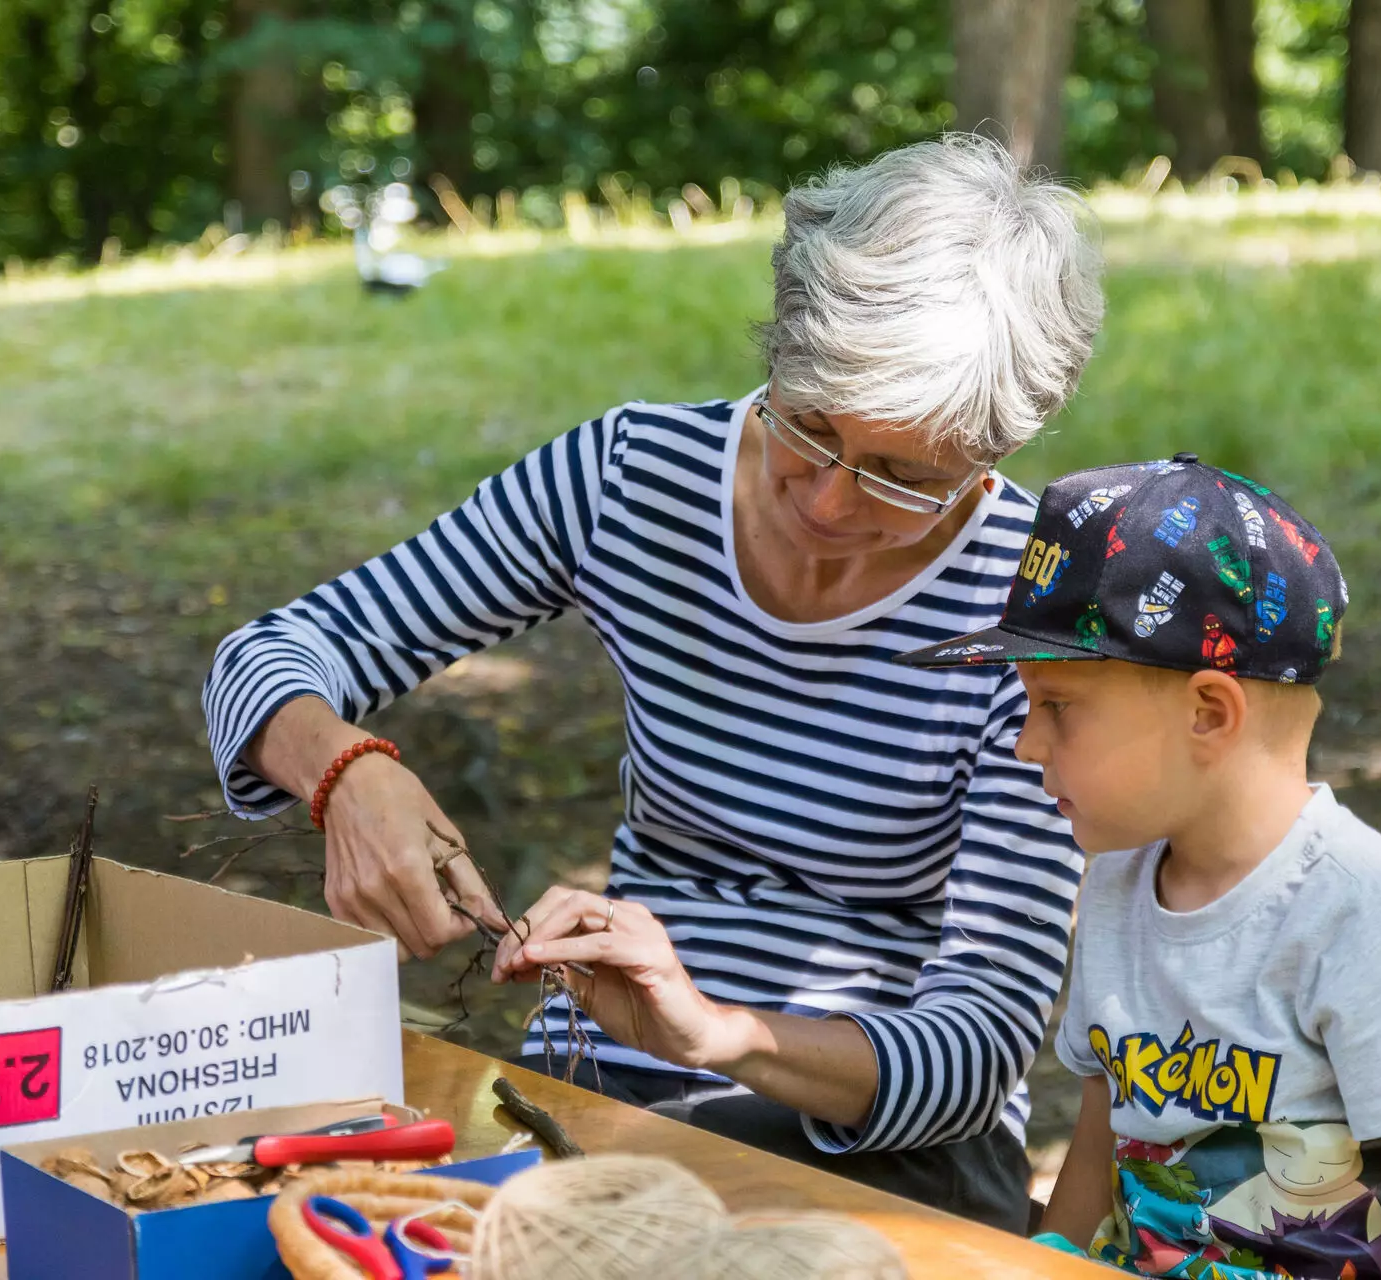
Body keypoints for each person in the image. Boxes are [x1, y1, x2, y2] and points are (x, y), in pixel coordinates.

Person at [200, 133, 1105, 1231]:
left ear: (994, 451)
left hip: (882, 1145)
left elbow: (977, 1045)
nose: (825, 503)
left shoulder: (1036, 609)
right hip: (610, 1086)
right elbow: (267, 656)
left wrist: (719, 1030)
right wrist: (345, 770)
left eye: (901, 479)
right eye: (807, 427)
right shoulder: (634, 477)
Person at [895, 455, 1381, 1277]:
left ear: (1211, 713)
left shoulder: (1364, 913)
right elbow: (1098, 1144)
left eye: (1058, 709)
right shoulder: (1120, 878)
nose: (1024, 743)